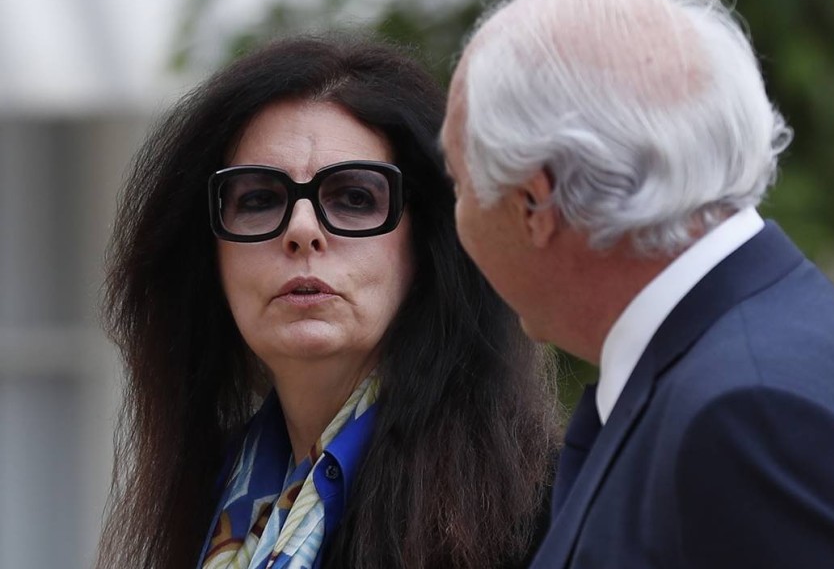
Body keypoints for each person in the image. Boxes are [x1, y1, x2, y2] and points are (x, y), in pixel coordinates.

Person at [441, 0, 834, 568]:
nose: (458, 216)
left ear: (535, 202)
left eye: (460, 185)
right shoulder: (757, 354)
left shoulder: (751, 415)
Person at [97, 33, 559, 569]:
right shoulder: (204, 498)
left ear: (428, 241)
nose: (301, 229)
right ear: (208, 255)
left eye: (355, 198)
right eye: (259, 200)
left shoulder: (547, 513)